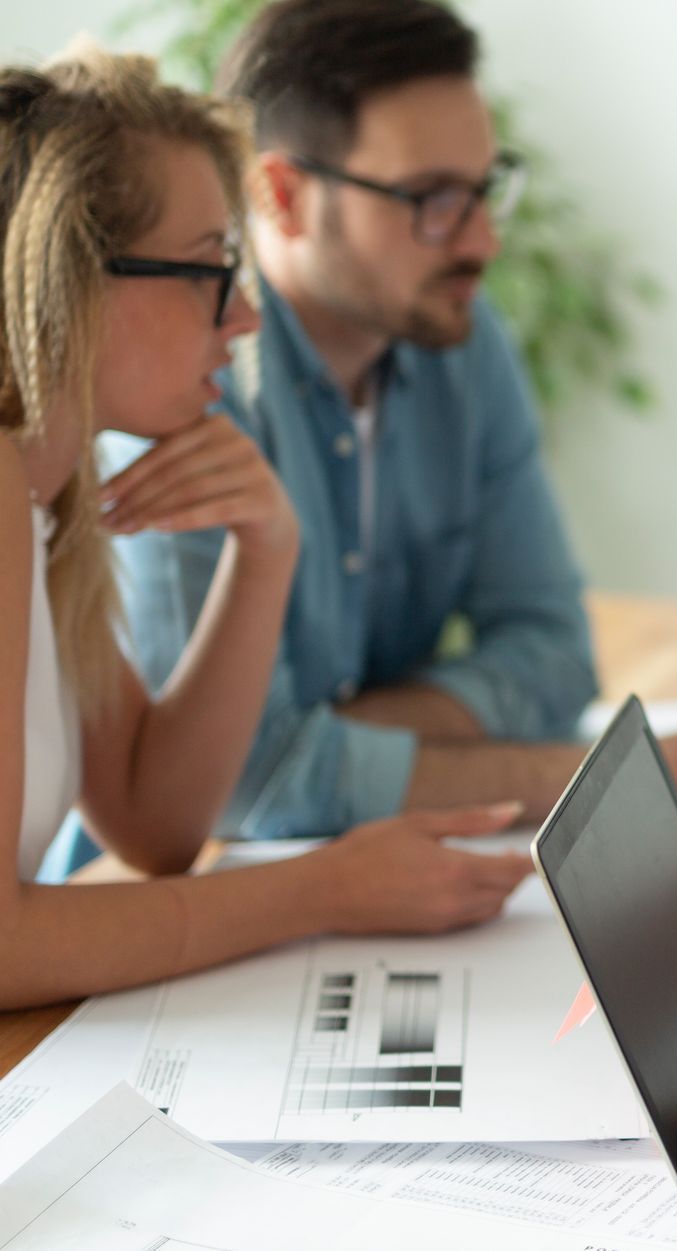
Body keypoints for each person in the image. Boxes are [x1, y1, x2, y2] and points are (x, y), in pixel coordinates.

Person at [103, 0, 677, 843]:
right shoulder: (180, 390)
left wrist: (348, 736)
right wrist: (570, 777)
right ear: (282, 194)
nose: (482, 240)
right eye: (432, 199)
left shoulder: (463, 340)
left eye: (484, 189)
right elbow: (240, 790)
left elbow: (554, 652)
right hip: (157, 907)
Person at [0, 44, 533, 1012]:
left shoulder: (47, 496)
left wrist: (267, 549)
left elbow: (154, 826)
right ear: (73, 282)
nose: (244, 318)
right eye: (210, 269)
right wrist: (324, 889)